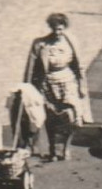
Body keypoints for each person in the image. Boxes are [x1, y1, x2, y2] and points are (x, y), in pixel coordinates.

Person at [23, 12, 85, 160]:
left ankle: (66, 147)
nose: (58, 32)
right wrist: (27, 88)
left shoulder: (71, 42)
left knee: (71, 116)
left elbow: (79, 65)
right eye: (55, 29)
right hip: (48, 83)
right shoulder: (40, 44)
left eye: (61, 29)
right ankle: (52, 150)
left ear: (65, 28)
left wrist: (82, 84)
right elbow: (30, 68)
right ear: (51, 28)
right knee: (51, 117)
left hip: (68, 81)